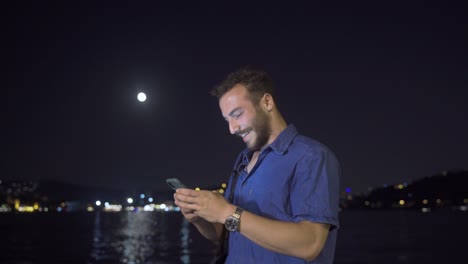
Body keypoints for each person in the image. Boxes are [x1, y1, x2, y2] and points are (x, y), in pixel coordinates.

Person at [173, 67, 340, 263]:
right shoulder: (242, 160)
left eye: (237, 114)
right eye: (227, 120)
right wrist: (200, 217)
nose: (232, 129)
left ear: (267, 102)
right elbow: (227, 231)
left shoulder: (312, 156)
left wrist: (227, 212)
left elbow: (310, 244)